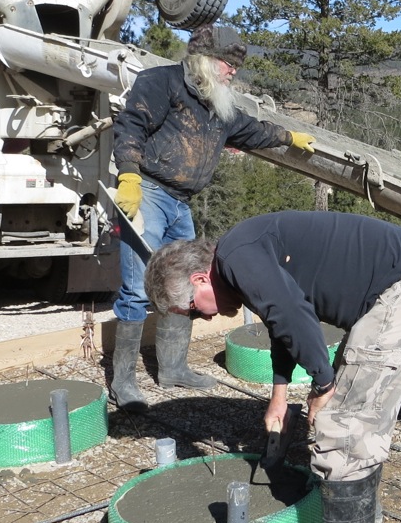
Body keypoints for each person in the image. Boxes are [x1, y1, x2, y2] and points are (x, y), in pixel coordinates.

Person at [143, 210, 401, 523]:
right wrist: (279, 395)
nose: (205, 317)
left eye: (194, 309)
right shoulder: (240, 254)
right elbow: (281, 322)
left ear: (200, 278)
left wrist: (323, 386)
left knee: (341, 425)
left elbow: (293, 313)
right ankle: (361, 516)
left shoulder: (237, 256)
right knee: (356, 412)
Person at [109, 24, 315, 411]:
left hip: (180, 202)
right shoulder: (161, 82)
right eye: (228, 62)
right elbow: (131, 125)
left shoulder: (216, 103)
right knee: (137, 288)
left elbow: (251, 131)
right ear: (204, 60)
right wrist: (129, 176)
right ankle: (123, 383)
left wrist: (288, 138)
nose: (233, 71)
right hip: (148, 193)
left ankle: (172, 369)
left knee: (186, 285)